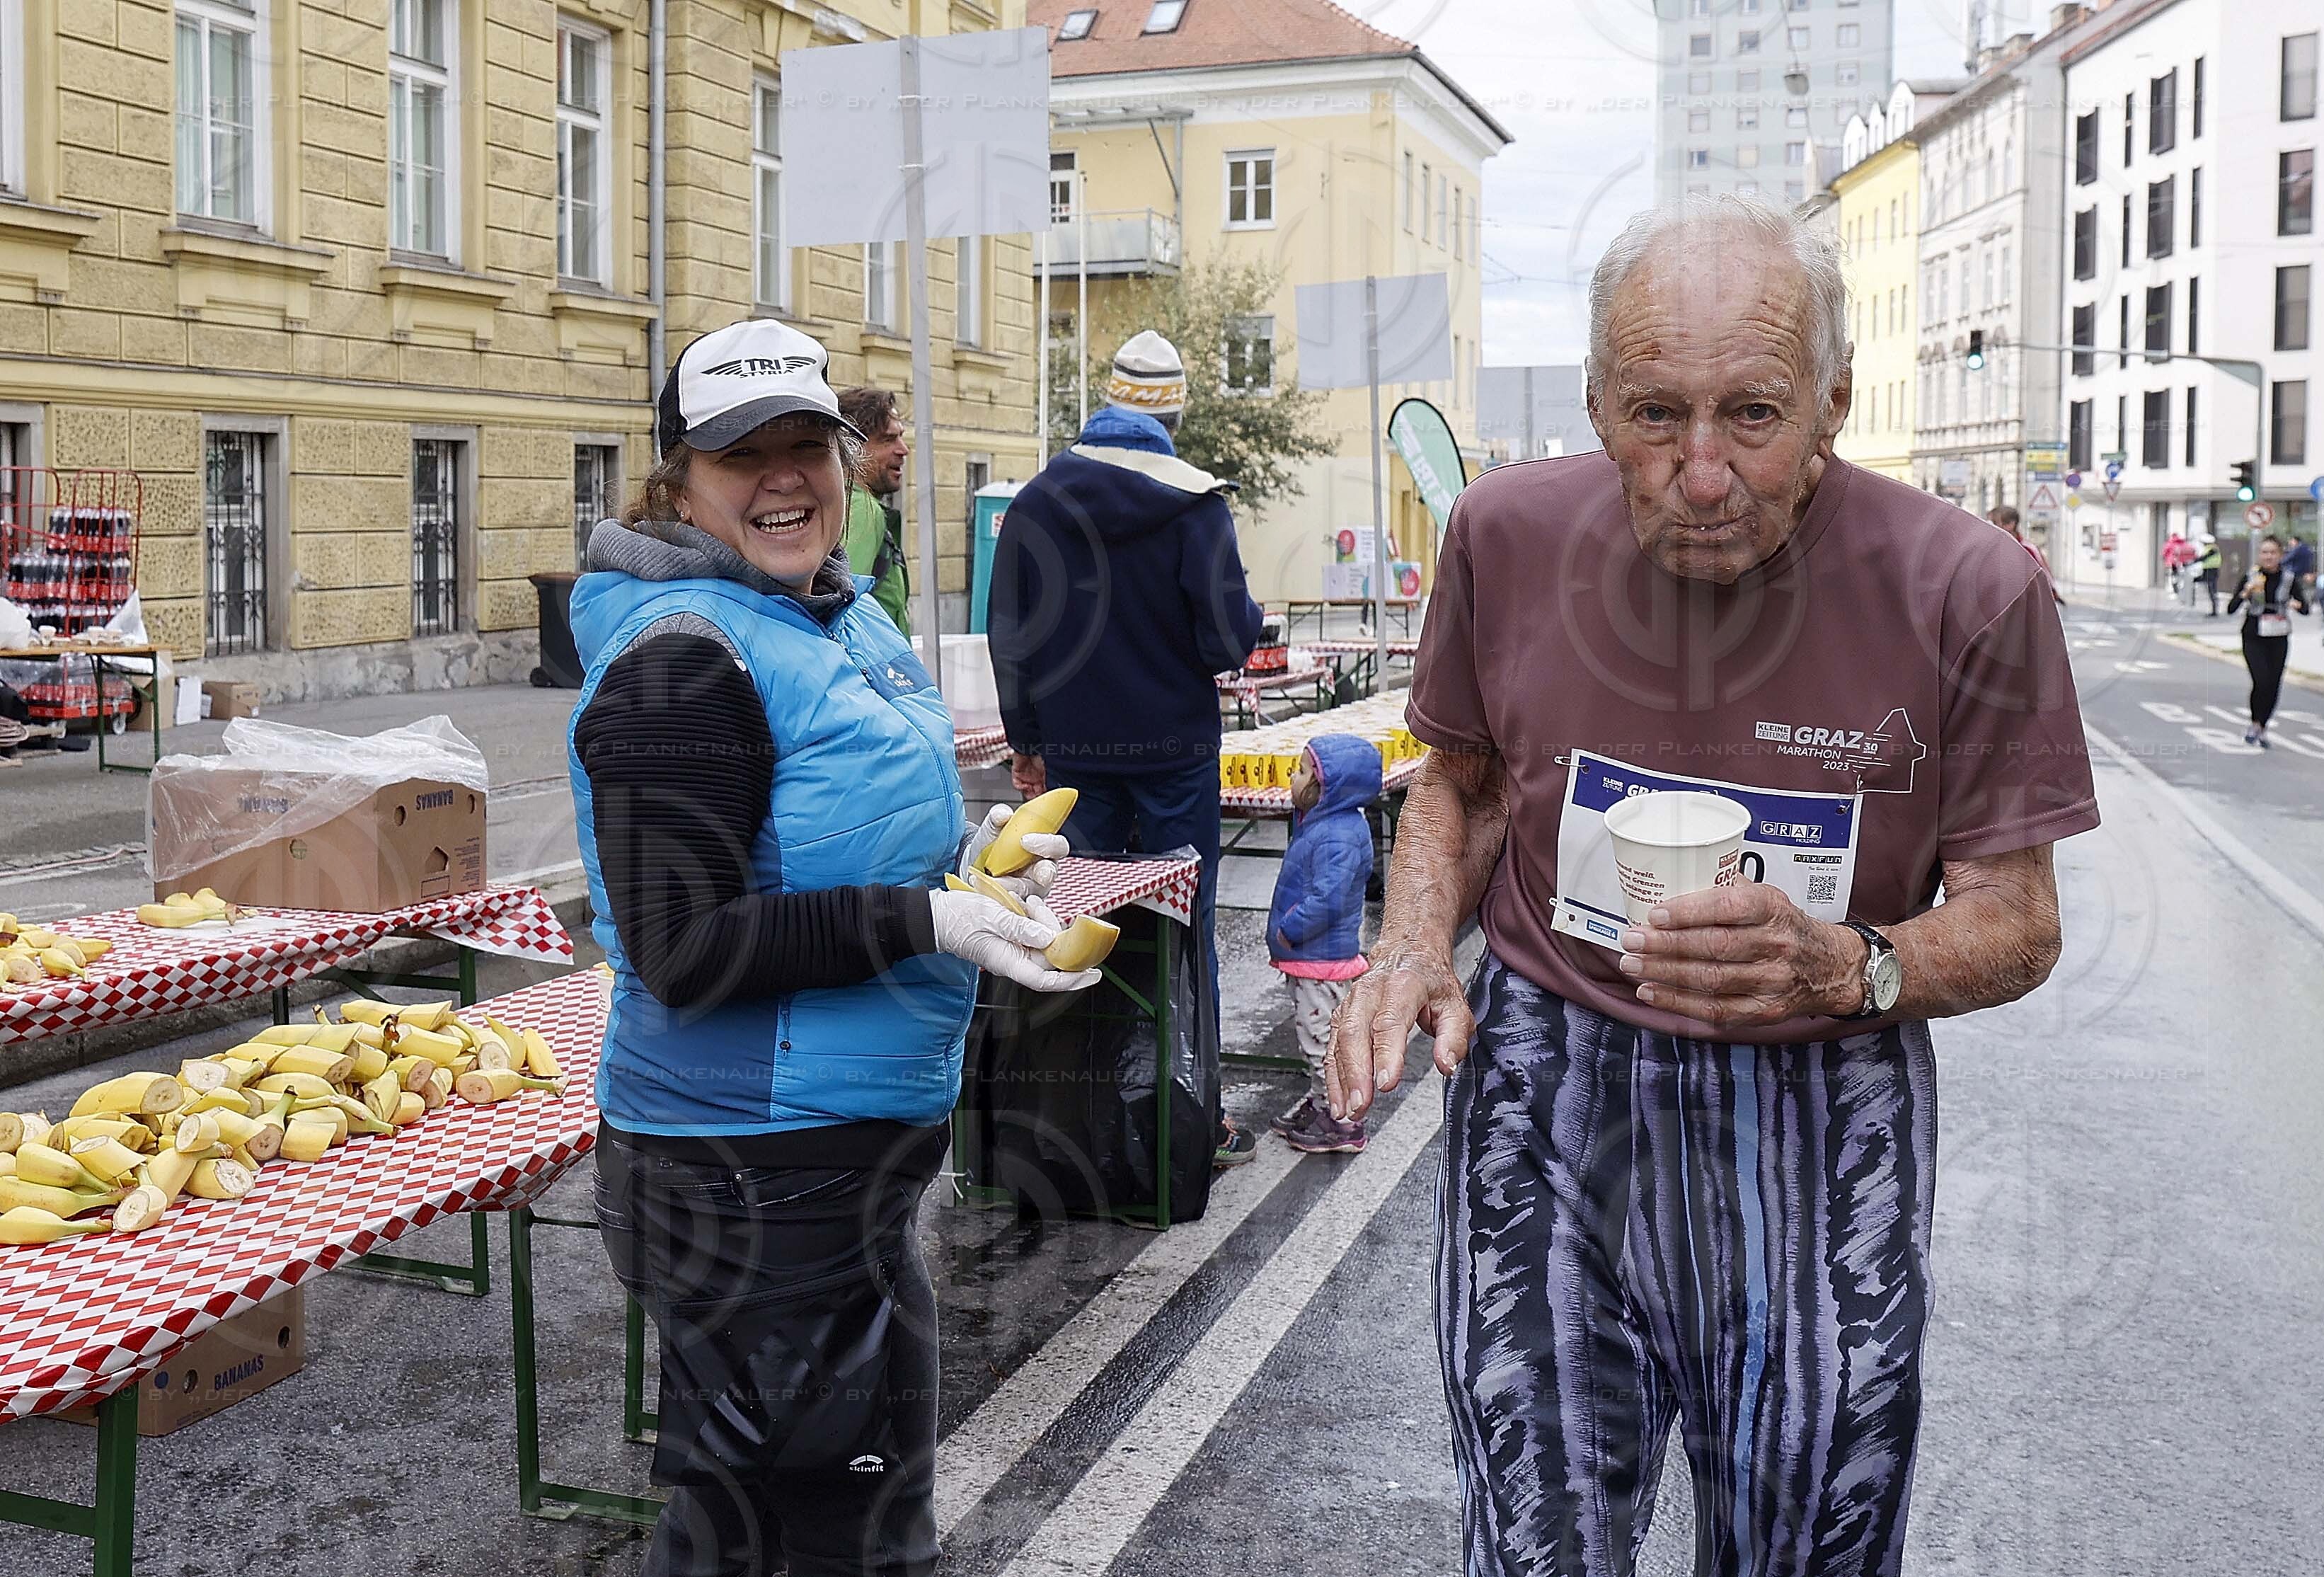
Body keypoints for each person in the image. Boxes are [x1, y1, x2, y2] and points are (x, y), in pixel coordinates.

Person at [1330, 196, 2098, 1577]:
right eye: (1651, 414)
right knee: (1530, 1531)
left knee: (1811, 1536)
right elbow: (1460, 780)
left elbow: (2017, 913)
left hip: (1818, 1088)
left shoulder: (1968, 587)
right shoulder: (1503, 536)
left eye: (1750, 415)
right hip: (1550, 1091)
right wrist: (1410, 944)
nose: (1698, 472)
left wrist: (1849, 965)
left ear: (1831, 406)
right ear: (1593, 401)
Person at [566, 318, 1097, 1577]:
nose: (784, 475)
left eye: (806, 441)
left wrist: (971, 863)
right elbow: (681, 947)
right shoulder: (679, 663)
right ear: (678, 479)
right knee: (818, 1537)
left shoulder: (813, 613)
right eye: (744, 452)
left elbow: (826, 837)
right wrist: (928, 920)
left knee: (778, 1522)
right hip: (750, 1170)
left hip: (827, 1167)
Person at [990, 328, 1268, 1166]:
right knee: (1184, 926)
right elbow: (1227, 641)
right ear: (1171, 413)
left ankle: (1077, 1118)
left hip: (1075, 755)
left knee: (1071, 921)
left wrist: (1027, 739)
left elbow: (1008, 630)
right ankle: (1195, 1118)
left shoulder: (1038, 498)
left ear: (1105, 403)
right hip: (1174, 750)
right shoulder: (1194, 504)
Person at [1264, 735, 1381, 1154]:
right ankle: (1322, 1104)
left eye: (1300, 771)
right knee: (1317, 1036)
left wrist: (1290, 929)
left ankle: (1344, 1123)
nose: (1292, 778)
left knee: (1321, 1043)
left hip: (1319, 955)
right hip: (1313, 957)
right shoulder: (1326, 824)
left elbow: (1327, 900)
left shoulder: (1337, 835)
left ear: (1325, 786)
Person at [837, 385, 912, 633]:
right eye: (889, 440)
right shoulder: (862, 509)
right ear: (851, 448)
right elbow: (844, 608)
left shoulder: (841, 503)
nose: (903, 450)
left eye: (901, 437)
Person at [2227, 533, 2312, 747]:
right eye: (2265, 552)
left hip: (2279, 635)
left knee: (2274, 684)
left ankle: (2262, 726)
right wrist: (2245, 594)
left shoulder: (2289, 578)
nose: (2269, 557)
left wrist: (2297, 605)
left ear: (2281, 555)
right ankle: (2255, 722)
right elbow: (2231, 608)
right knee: (2261, 680)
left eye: (2273, 553)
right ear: (2260, 555)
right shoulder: (2251, 576)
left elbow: (2305, 608)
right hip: (2254, 634)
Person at [1988, 503, 2063, 606]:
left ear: (2010, 524)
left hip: (2023, 606)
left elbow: (2044, 576)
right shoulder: (1991, 549)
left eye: (1995, 523)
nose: (1990, 528)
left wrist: (2052, 594)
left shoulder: (2027, 549)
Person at [2194, 532, 2222, 615]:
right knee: (2211, 590)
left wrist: (2193, 562)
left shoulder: (2212, 549)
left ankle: (2215, 611)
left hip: (2211, 571)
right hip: (2208, 571)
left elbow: (2204, 558)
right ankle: (2214, 610)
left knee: (2212, 591)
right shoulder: (2211, 548)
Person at [2161, 528, 2193, 599]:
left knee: (2173, 576)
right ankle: (2182, 589)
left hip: (2173, 563)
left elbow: (2164, 552)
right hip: (2182, 562)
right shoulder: (2182, 543)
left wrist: (2165, 559)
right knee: (2181, 576)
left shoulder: (2170, 543)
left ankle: (2175, 590)